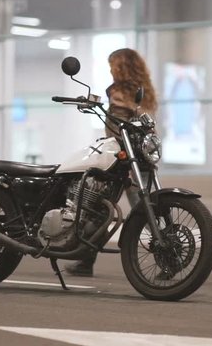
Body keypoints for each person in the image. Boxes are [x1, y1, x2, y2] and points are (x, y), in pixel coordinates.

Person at [65, 48, 158, 277]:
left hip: (122, 159)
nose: (110, 70)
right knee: (149, 211)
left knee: (100, 210)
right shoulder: (144, 92)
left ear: (121, 67)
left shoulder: (120, 92)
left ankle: (85, 261)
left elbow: (117, 129)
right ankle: (167, 252)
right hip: (142, 158)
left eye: (112, 66)